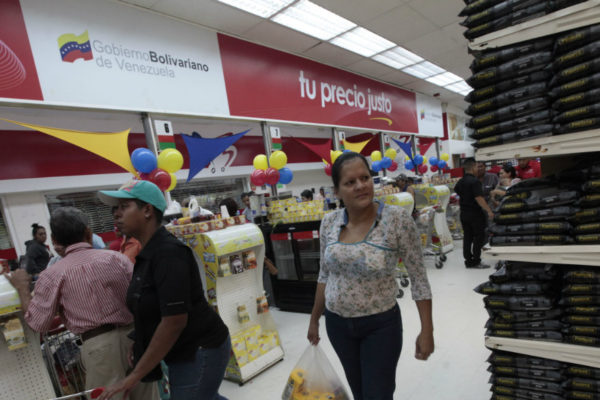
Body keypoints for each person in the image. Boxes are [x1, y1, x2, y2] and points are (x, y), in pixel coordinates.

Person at [307, 152, 434, 400]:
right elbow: (325, 274)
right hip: (338, 324)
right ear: (337, 191)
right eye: (350, 182)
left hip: (380, 326)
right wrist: (314, 319)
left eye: (365, 178)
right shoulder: (329, 223)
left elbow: (419, 279)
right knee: (359, 392)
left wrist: (427, 330)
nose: (361, 186)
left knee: (378, 394)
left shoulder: (397, 221)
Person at [97, 180, 230, 400]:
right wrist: (139, 340)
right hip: (183, 352)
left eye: (124, 207)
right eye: (115, 209)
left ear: (147, 210)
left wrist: (134, 376)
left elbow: (174, 321)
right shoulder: (148, 253)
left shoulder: (169, 254)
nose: (116, 214)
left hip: (199, 349)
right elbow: (151, 306)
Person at [7, 207, 155, 400]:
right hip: (135, 338)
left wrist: (22, 289)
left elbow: (38, 323)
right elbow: (142, 298)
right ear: (88, 233)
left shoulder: (52, 275)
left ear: (54, 241)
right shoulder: (118, 259)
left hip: (98, 347)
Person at [454, 159, 495, 269]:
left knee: (467, 237)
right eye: (477, 167)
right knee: (478, 237)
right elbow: (479, 198)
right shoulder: (475, 181)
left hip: (464, 213)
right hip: (475, 214)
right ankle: (476, 261)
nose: (478, 169)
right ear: (472, 168)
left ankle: (468, 261)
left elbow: (456, 190)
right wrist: (489, 211)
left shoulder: (461, 181)